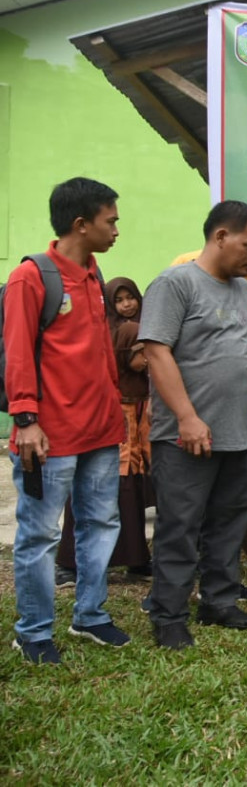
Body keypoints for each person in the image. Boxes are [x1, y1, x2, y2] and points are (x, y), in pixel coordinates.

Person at [140, 201, 247, 650]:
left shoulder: (244, 291)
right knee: (180, 525)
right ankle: (169, 615)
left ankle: (219, 601)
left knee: (230, 520)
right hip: (186, 436)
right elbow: (156, 353)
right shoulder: (174, 284)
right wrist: (187, 417)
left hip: (241, 431)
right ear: (221, 236)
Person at [5, 177, 130, 663]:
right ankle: (33, 630)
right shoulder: (32, 277)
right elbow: (17, 352)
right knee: (40, 534)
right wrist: (26, 418)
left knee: (101, 522)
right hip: (49, 436)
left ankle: (91, 615)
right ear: (82, 224)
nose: (117, 229)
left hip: (100, 431)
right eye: (111, 220)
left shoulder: (96, 275)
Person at [169, 201, 247, 593]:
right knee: (188, 504)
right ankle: (174, 586)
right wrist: (182, 413)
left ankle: (223, 584)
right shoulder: (183, 273)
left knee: (239, 499)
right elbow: (161, 349)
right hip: (195, 413)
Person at [56, 278, 154, 584]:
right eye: (141, 352)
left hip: (135, 420)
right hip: (112, 420)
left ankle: (136, 559)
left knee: (131, 490)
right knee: (97, 488)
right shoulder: (120, 333)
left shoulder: (128, 330)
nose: (148, 359)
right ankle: (70, 563)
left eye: (131, 297)